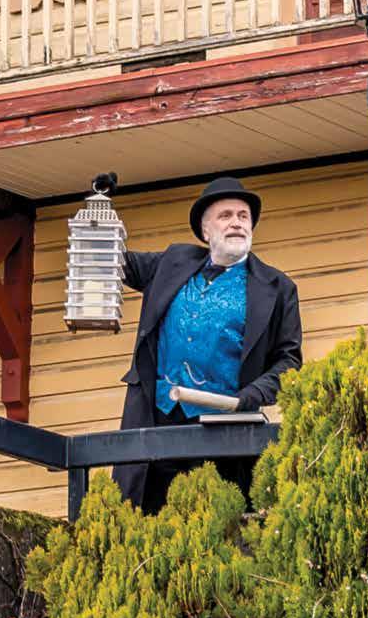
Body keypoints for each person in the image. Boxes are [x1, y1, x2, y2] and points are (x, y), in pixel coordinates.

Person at [112, 176, 302, 512]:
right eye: (225, 215)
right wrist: (98, 208)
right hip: (157, 421)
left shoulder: (278, 288)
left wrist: (251, 395)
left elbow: (289, 362)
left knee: (219, 521)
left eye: (243, 216)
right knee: (145, 518)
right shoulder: (172, 262)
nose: (236, 223)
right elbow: (115, 260)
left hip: (223, 432)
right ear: (205, 230)